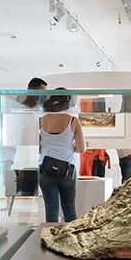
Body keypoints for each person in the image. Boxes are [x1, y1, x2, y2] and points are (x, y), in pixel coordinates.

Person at [38, 88, 86, 222]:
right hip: (67, 169)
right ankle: (71, 239)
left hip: (45, 168)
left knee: (51, 209)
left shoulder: (41, 120)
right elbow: (81, 148)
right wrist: (69, 147)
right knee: (69, 207)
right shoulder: (73, 121)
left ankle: (50, 239)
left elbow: (39, 147)